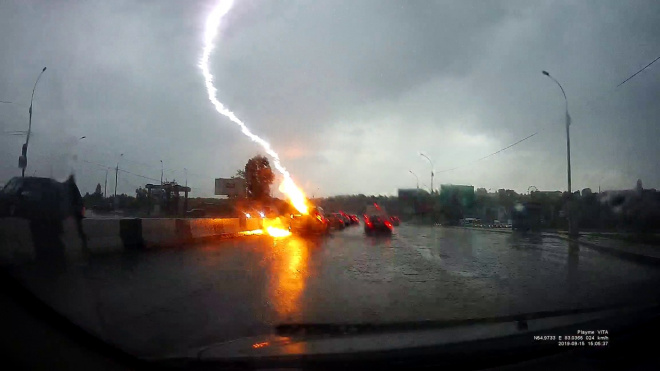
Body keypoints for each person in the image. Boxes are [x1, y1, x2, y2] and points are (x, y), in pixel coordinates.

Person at [64, 175, 89, 254]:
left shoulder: (69, 186)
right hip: (77, 210)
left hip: (76, 210)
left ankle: (83, 243)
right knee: (79, 228)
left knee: (77, 228)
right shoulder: (72, 186)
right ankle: (84, 242)